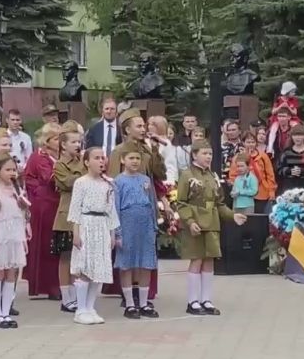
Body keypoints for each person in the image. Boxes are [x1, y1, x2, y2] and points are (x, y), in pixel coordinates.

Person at [176, 140, 247, 316]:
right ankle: (192, 301)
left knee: (209, 260)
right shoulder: (187, 175)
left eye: (210, 154)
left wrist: (232, 215)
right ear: (194, 155)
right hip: (196, 223)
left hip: (212, 222)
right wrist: (190, 221)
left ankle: (206, 299)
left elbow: (219, 203)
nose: (208, 157)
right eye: (204, 153)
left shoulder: (213, 176)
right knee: (197, 259)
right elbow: (181, 203)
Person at [105, 108, 166, 308]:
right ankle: (128, 296)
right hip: (127, 211)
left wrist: (155, 151)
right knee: (128, 255)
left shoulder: (147, 149)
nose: (143, 129)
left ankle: (144, 295)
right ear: (127, 129)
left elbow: (159, 174)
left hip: (146, 205)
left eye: (144, 125)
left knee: (145, 255)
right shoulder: (119, 151)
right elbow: (114, 182)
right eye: (139, 126)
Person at [68, 147, 118, 326]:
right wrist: (76, 231)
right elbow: (75, 208)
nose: (101, 161)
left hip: (102, 226)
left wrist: (112, 233)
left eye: (103, 158)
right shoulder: (81, 183)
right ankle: (80, 309)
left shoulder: (108, 184)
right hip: (86, 224)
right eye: (96, 158)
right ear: (87, 162)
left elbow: (111, 210)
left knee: (98, 268)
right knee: (85, 267)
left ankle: (90, 307)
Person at [0, 156, 30, 329]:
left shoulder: (18, 191)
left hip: (15, 235)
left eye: (14, 170)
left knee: (11, 273)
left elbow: (23, 214)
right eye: (8, 170)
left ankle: (6, 312)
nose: (12, 173)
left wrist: (24, 234)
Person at [113, 146, 159, 319]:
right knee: (127, 263)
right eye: (131, 158)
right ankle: (130, 303)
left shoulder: (145, 180)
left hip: (145, 224)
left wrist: (154, 225)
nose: (135, 161)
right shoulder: (118, 181)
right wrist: (117, 232)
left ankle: (144, 302)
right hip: (127, 223)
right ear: (123, 160)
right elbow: (115, 207)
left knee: (145, 262)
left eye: (137, 159)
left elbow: (152, 203)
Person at [23, 123, 62, 300]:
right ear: (47, 141)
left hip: (58, 201)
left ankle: (61, 282)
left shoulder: (61, 155)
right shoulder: (40, 157)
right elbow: (50, 178)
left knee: (58, 244)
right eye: (56, 138)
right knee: (47, 243)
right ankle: (49, 285)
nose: (59, 141)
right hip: (45, 203)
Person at [52, 127, 85, 313]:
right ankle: (66, 297)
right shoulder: (60, 164)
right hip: (66, 215)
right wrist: (83, 169)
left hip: (82, 215)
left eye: (79, 142)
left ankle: (75, 295)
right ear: (63, 145)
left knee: (77, 258)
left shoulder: (81, 162)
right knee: (66, 257)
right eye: (73, 142)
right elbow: (69, 182)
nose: (77, 145)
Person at [228, 132, 276, 213]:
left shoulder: (263, 156)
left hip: (262, 192)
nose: (250, 144)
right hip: (243, 194)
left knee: (259, 217)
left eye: (253, 142)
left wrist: (271, 191)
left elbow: (270, 175)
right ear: (243, 143)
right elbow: (233, 176)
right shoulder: (238, 157)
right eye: (248, 142)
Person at [274, 125, 304, 194]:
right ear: (291, 137)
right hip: (289, 187)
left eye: (300, 135)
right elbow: (278, 168)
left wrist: (302, 171)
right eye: (295, 135)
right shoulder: (286, 152)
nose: (297, 138)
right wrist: (290, 171)